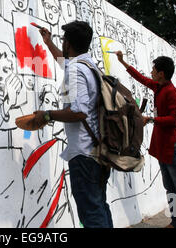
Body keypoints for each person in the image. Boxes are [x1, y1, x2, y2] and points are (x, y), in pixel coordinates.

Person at [32, 20, 113, 228]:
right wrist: (48, 43)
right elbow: (64, 62)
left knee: (92, 213)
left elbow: (78, 112)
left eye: (63, 41)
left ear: (68, 43)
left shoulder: (76, 70)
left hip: (84, 154)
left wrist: (47, 115)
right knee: (99, 206)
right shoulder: (88, 65)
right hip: (98, 151)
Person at [116, 51, 176, 228]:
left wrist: (152, 119)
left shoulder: (172, 93)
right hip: (163, 148)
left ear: (161, 73)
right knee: (170, 188)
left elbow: (173, 119)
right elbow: (141, 78)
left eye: (154, 70)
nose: (151, 73)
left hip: (172, 149)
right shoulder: (158, 87)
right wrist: (123, 62)